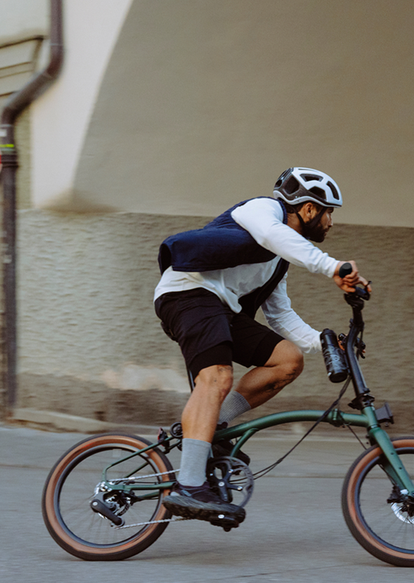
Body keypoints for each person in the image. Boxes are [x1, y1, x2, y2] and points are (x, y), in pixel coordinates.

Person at [153, 167, 369, 526]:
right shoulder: (261, 211)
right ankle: (189, 485)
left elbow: (281, 316)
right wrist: (332, 267)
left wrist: (325, 341)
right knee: (218, 377)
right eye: (329, 211)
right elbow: (272, 235)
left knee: (288, 360)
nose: (331, 222)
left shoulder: (277, 262)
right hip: (187, 293)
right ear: (309, 209)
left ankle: (212, 424)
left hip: (221, 308)